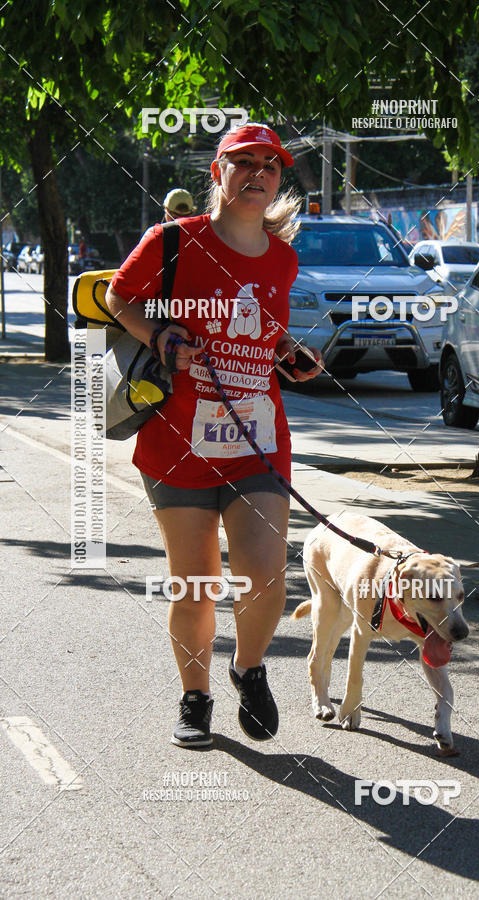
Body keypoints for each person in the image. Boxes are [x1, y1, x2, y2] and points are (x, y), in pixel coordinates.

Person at [105, 123, 322, 748]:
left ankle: (248, 668)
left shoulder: (283, 258)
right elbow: (120, 298)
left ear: (279, 179)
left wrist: (288, 352)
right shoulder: (171, 242)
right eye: (244, 162)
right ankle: (194, 697)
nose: (258, 173)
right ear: (219, 173)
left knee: (266, 574)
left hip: (257, 436)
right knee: (196, 582)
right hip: (177, 441)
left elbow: (263, 327)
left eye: (271, 165)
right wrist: (161, 335)